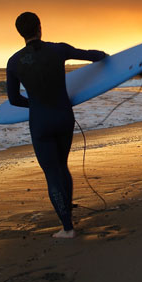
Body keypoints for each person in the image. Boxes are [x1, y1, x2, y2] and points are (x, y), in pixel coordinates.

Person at [6, 12, 108, 238]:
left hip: (40, 121)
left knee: (52, 173)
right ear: (40, 27)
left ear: (20, 33)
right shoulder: (58, 50)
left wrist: (34, 104)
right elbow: (94, 56)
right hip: (64, 116)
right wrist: (115, 61)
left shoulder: (14, 62)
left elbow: (13, 99)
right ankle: (68, 221)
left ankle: (67, 227)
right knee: (62, 166)